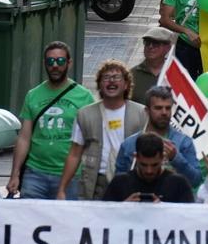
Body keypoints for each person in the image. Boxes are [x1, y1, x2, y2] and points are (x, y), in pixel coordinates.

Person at [7, 41, 95, 199]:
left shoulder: (84, 97)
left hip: (70, 176)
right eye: (50, 61)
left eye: (60, 61)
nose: (55, 65)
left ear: (69, 63)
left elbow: (91, 139)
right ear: (44, 63)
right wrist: (15, 174)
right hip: (35, 174)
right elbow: (24, 138)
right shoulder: (33, 95)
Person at [57, 60, 147, 200]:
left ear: (126, 85)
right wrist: (62, 189)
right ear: (99, 84)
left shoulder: (141, 113)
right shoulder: (84, 114)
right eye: (106, 78)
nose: (111, 81)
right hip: (96, 183)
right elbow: (75, 153)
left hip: (132, 180)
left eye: (116, 77)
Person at [114, 85, 202, 187]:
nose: (164, 112)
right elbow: (118, 184)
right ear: (147, 111)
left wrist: (176, 158)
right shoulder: (129, 144)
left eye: (168, 108)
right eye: (158, 108)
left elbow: (196, 180)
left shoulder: (183, 142)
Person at [102, 133, 195, 203]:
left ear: (163, 158)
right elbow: (103, 216)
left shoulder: (179, 184)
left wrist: (166, 210)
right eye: (143, 165)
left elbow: (189, 219)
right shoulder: (120, 183)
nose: (149, 171)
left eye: (154, 165)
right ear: (136, 157)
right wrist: (123, 208)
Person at [129, 28, 173, 106]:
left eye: (155, 43)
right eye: (147, 43)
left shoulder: (175, 74)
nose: (150, 46)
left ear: (168, 48)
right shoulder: (131, 75)